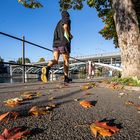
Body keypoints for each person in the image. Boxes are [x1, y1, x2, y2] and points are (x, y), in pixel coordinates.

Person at [41, 11, 73, 83]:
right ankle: (66, 78)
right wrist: (69, 35)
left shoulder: (58, 23)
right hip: (64, 42)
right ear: (67, 15)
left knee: (55, 60)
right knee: (66, 60)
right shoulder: (67, 19)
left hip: (55, 43)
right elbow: (65, 26)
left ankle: (47, 67)